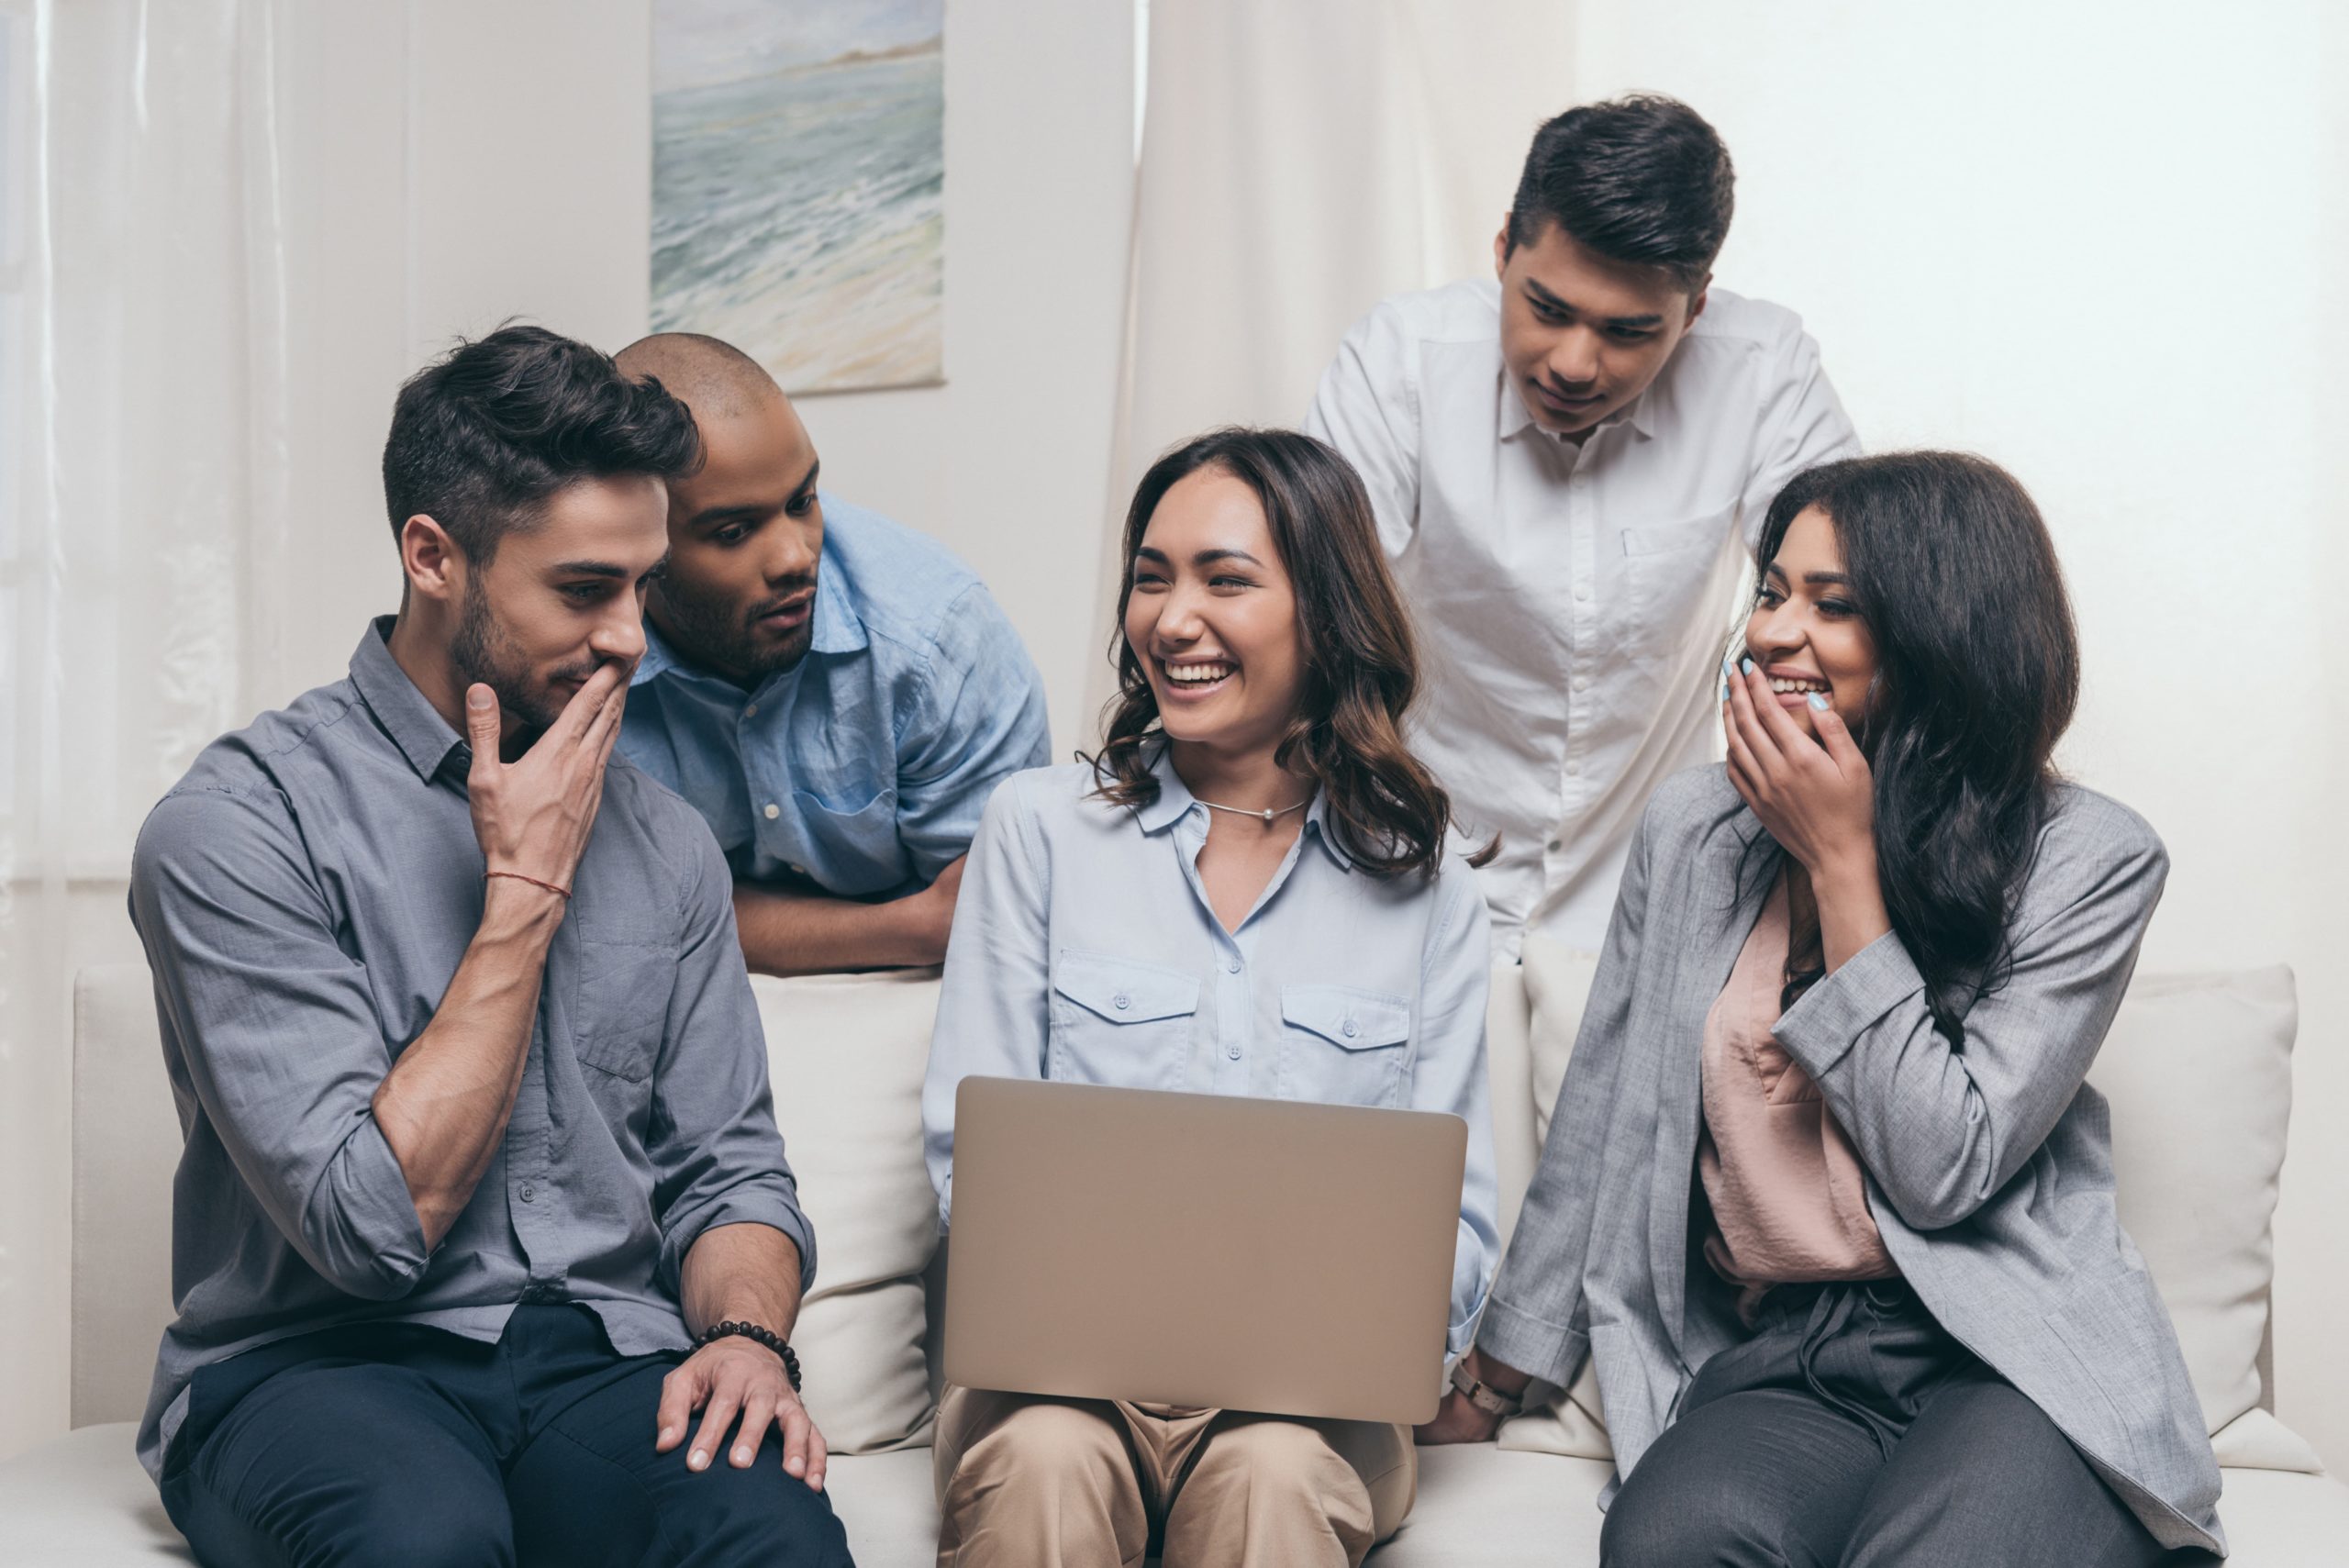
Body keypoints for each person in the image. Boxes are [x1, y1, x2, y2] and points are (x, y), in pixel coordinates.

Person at [128, 326, 852, 1566]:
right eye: (584, 589)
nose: (633, 635)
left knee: (770, 1530)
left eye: (644, 582)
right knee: (426, 1542)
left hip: (599, 1361)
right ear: (434, 557)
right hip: (317, 1369)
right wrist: (523, 890)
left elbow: (729, 1174)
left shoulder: (666, 840)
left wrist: (746, 1338)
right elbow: (370, 1228)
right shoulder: (238, 828)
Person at [1420, 452, 2224, 1565]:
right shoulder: (1695, 830)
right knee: (1665, 1546)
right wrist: (1499, 1369)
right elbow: (1605, 1113)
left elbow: (1943, 1164)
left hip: (2002, 1354)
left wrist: (1842, 863)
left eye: (1832, 605)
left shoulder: (2089, 859)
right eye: (1770, 591)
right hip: (1783, 1355)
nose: (1773, 631)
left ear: (1941, 633)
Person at [919, 428, 1499, 1568]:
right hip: (1056, 1387)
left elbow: (1458, 1223)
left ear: (1325, 612)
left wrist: (1369, 1333)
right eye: (1150, 576)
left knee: (1271, 1477)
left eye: (1224, 579)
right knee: (1044, 1462)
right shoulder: (1038, 830)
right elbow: (964, 1153)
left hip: (1311, 1411)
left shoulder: (1429, 890)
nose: (1171, 618)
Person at [1305, 94, 1860, 959]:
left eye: (1629, 331)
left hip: (1648, 896)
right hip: (1402, 868)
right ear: (1501, 249)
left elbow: (1853, 601)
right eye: (1549, 308)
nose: (1572, 363)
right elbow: (1309, 613)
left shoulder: (1763, 371)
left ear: (1697, 306)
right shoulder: (1401, 362)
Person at [609, 332, 1050, 976]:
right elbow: (629, 916)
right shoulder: (579, 656)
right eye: (733, 532)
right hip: (686, 998)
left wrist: (721, 917)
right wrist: (910, 925)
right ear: (637, 540)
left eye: (802, 501)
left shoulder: (939, 641)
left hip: (924, 1000)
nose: (795, 556)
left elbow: (986, 925)